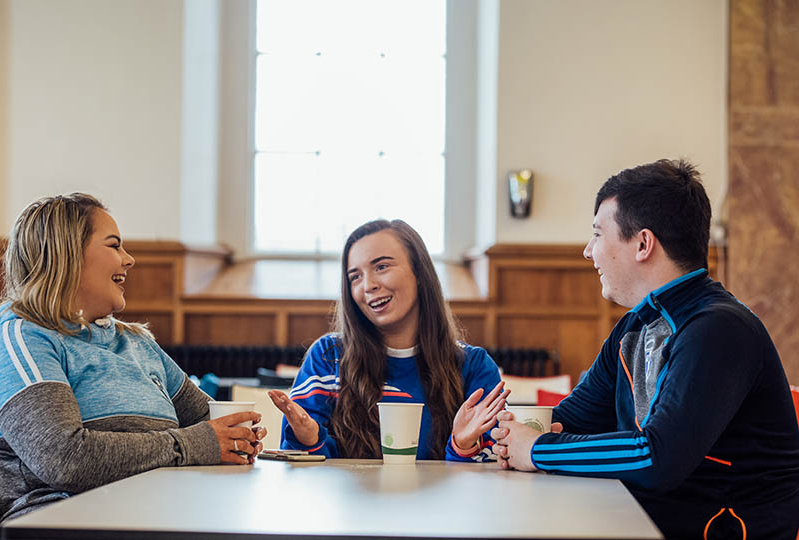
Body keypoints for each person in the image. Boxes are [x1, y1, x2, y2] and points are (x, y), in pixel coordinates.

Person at [492, 159, 799, 539]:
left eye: (598, 234)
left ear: (642, 244)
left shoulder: (719, 329)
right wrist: (499, 432)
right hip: (641, 523)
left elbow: (657, 456)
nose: (589, 252)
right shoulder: (634, 326)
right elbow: (568, 419)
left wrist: (537, 450)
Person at [0, 193, 266, 522]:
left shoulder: (137, 342)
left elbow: (210, 425)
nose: (129, 260)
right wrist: (191, 445)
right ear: (67, 254)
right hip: (69, 524)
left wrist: (242, 438)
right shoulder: (20, 341)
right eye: (114, 246)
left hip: (163, 514)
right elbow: (65, 460)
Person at [268, 219, 508, 460]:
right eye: (355, 277)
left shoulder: (473, 365)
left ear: (419, 272)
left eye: (381, 267)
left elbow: (492, 467)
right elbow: (299, 470)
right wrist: (310, 439)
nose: (368, 285)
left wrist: (462, 446)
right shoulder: (327, 356)